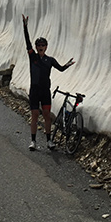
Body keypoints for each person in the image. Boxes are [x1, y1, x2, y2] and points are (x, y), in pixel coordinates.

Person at [22, 14, 75, 150]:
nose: (40, 47)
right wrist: (25, 26)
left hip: (45, 91)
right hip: (34, 90)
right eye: (38, 45)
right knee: (34, 115)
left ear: (46, 47)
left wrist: (67, 65)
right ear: (36, 46)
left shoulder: (50, 60)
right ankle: (33, 141)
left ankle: (48, 141)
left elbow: (61, 69)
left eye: (43, 45)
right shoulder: (32, 56)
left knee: (46, 116)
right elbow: (27, 42)